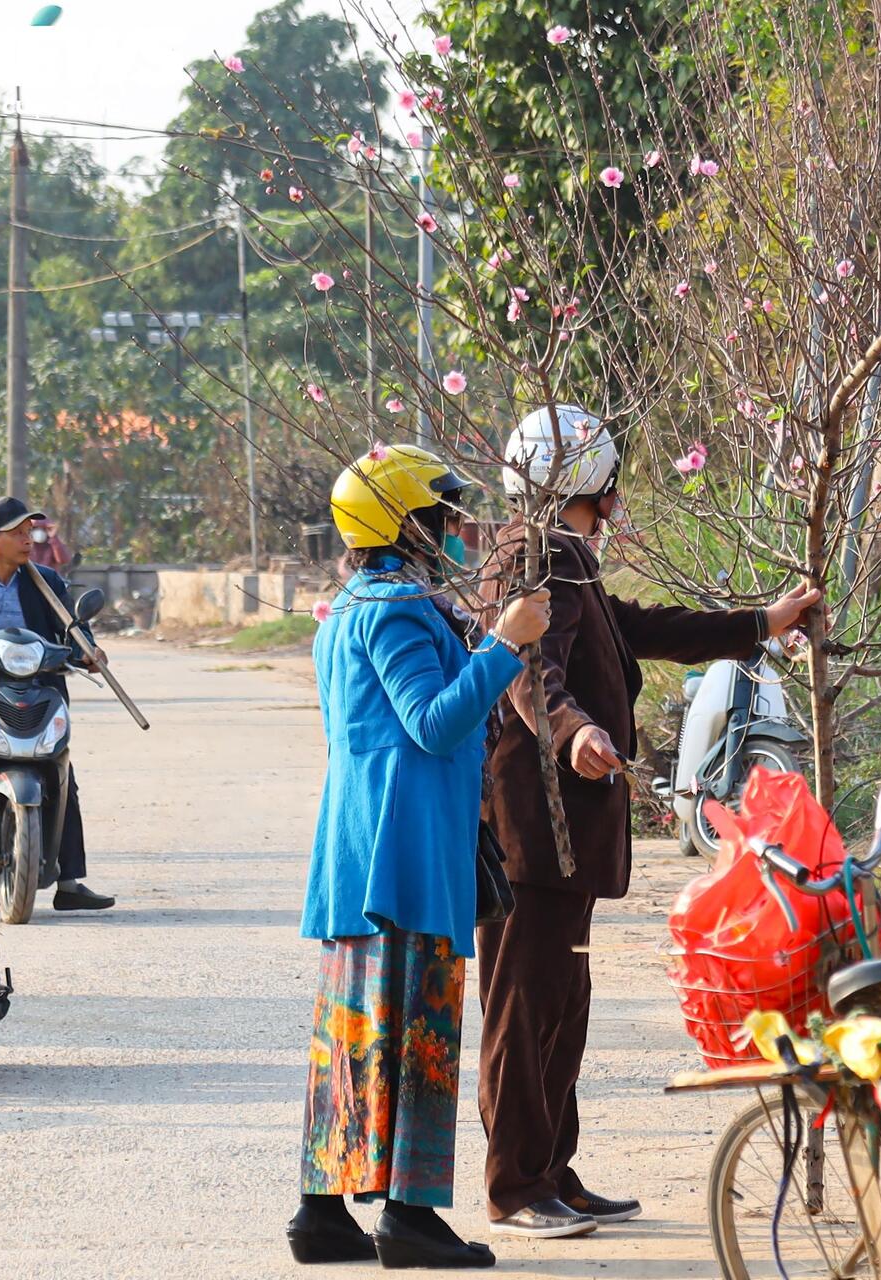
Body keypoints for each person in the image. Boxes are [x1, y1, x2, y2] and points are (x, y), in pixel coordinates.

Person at [474, 405, 821, 1239]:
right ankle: (515, 1187)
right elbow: (530, 674)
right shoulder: (534, 555)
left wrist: (759, 624)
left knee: (563, 1004)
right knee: (527, 1009)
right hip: (538, 829)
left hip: (569, 833)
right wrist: (576, 731)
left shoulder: (567, 558)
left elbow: (644, 627)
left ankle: (551, 1170)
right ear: (595, 484)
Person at [290, 444, 551, 1269]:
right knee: (419, 1032)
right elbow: (433, 722)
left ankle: (323, 1214)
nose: (458, 529)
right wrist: (505, 647)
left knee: (354, 1035)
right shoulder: (397, 611)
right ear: (403, 525)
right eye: (442, 517)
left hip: (364, 851)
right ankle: (407, 1213)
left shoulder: (355, 606)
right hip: (405, 852)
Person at [0, 496, 114, 911]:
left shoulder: (47, 583)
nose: (28, 539)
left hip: (36, 684)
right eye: (18, 533)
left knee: (61, 771)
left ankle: (69, 881)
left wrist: (89, 652)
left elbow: (73, 628)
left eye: (30, 531)